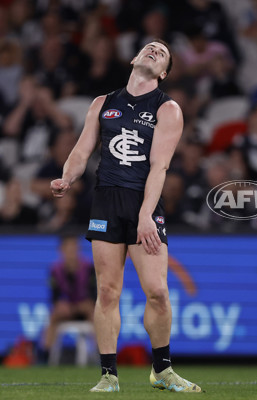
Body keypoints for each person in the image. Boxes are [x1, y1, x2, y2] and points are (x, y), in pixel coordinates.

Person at [50, 39, 201, 392]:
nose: (153, 50)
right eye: (149, 47)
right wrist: (67, 177)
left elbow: (160, 167)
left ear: (163, 73)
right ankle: (108, 376)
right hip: (106, 201)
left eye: (161, 53)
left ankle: (162, 370)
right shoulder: (103, 103)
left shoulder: (168, 109)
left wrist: (147, 214)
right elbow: (81, 150)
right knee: (107, 290)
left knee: (158, 292)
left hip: (143, 203)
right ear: (134, 58)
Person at [42, 232, 96, 361]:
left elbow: (94, 294)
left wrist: (86, 304)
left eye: (74, 249)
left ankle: (100, 354)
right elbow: (54, 297)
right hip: (66, 310)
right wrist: (60, 305)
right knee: (54, 314)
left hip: (84, 308)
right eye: (68, 249)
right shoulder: (55, 270)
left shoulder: (88, 268)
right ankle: (45, 355)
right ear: (61, 250)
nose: (72, 252)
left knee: (94, 313)